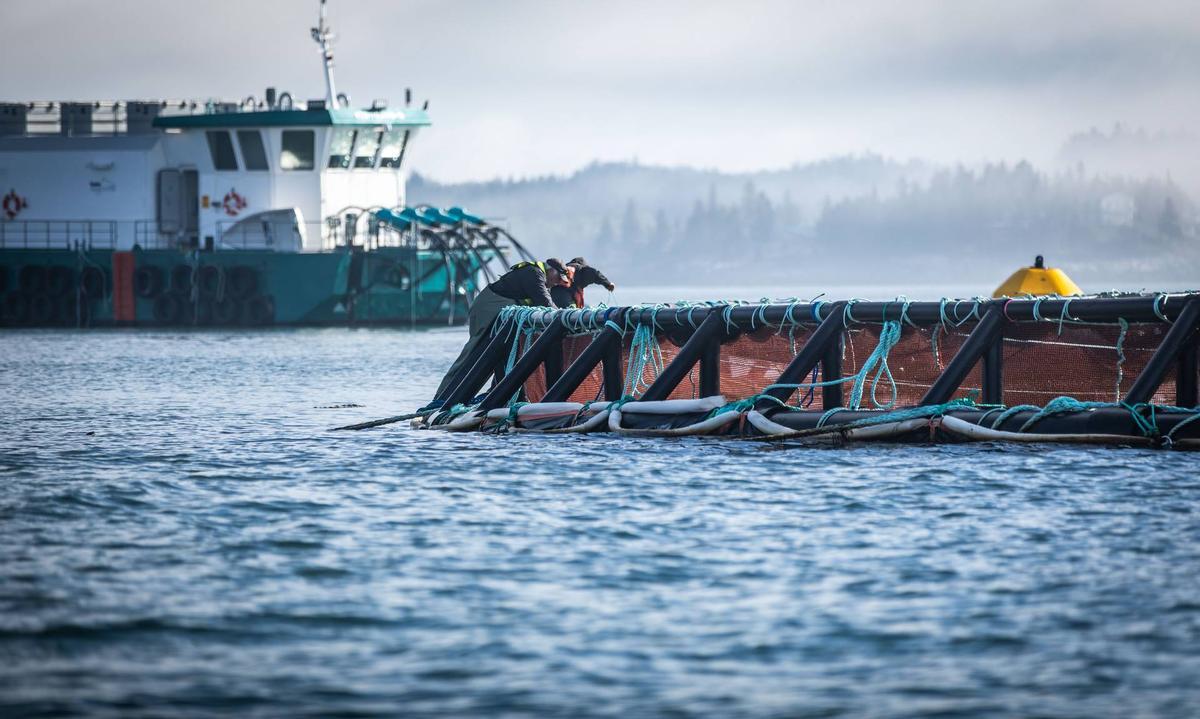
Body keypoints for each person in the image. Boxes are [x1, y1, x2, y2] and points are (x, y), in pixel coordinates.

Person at [432, 258, 570, 400]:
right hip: (487, 308)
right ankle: (441, 398)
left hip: (496, 310)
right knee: (472, 354)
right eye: (558, 278)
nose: (558, 282)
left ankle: (486, 396)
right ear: (551, 270)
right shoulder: (534, 274)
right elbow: (545, 303)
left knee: (494, 357)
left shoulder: (539, 276)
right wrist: (565, 318)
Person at [549, 257, 616, 308]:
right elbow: (596, 274)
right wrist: (608, 284)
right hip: (563, 296)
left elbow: (596, 275)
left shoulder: (567, 270)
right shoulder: (584, 272)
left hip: (560, 294)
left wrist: (608, 284)